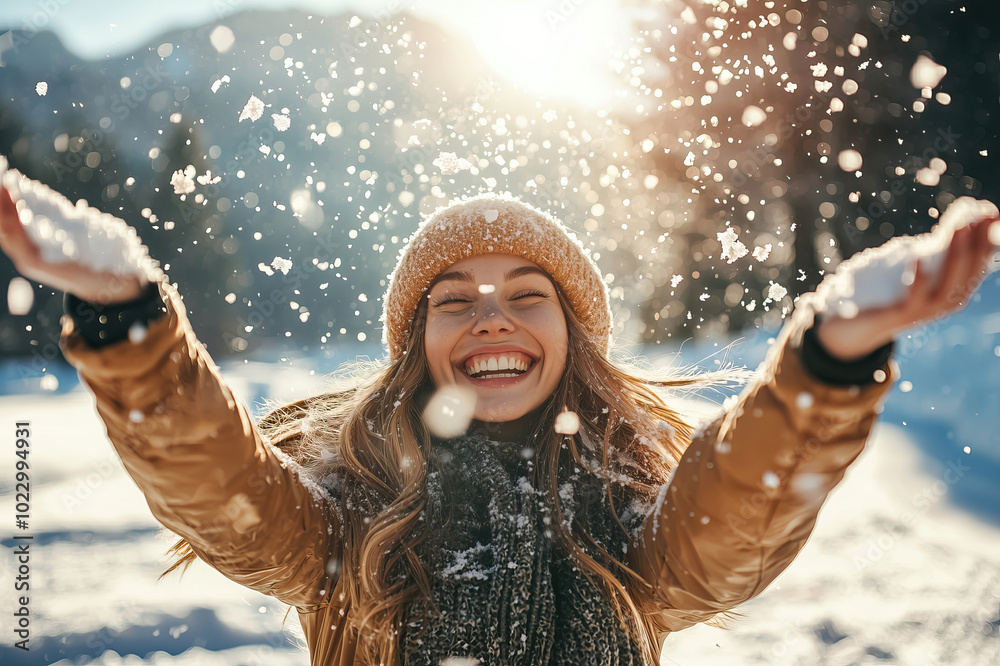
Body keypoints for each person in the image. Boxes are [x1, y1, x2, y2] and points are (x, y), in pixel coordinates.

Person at [0, 163, 997, 665]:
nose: (491, 313)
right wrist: (131, 319)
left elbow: (736, 518)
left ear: (572, 338)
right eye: (454, 297)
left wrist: (829, 356)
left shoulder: (632, 513)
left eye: (529, 295)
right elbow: (220, 492)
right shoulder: (349, 515)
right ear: (415, 347)